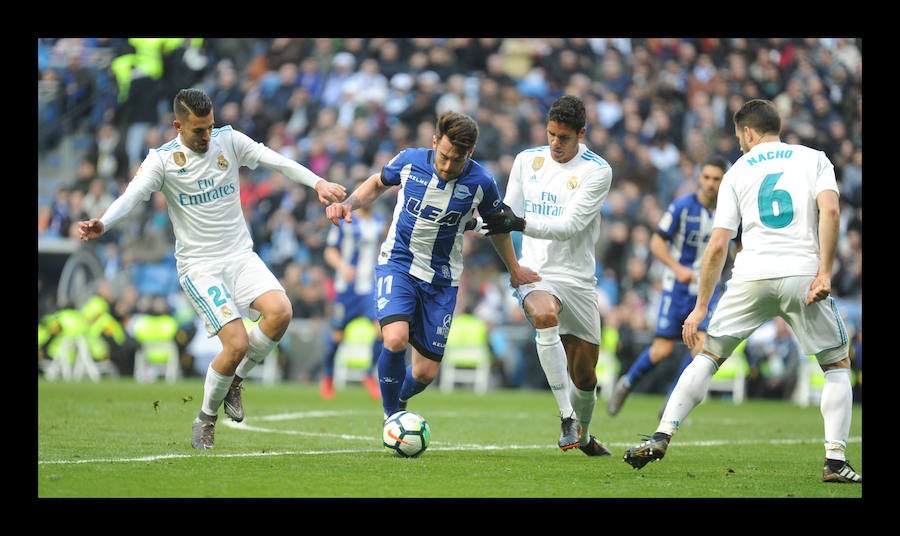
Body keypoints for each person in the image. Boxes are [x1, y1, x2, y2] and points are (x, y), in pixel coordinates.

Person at [78, 88, 346, 450]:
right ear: (178, 126)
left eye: (209, 127)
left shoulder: (228, 140)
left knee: (280, 312)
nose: (207, 136)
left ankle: (235, 380)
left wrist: (318, 182)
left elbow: (274, 159)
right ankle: (205, 418)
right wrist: (104, 223)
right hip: (200, 267)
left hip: (240, 256)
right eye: (198, 131)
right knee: (235, 343)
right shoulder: (162, 160)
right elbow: (134, 194)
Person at [623, 99, 861, 484]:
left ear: (748, 132)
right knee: (836, 364)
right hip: (801, 272)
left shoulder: (736, 173)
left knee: (708, 356)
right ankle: (835, 460)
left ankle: (663, 433)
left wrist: (700, 308)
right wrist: (825, 273)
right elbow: (831, 212)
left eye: (739, 138)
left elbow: (718, 246)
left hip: (750, 274)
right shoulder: (814, 158)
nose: (738, 145)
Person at [325, 110, 540, 432]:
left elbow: (497, 228)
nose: (448, 165)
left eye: (457, 159)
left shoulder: (481, 182)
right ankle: (391, 419)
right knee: (394, 338)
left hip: (442, 280)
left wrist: (514, 268)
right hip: (397, 263)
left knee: (424, 374)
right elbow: (377, 182)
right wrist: (348, 205)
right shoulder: (410, 161)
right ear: (435, 142)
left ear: (470, 153)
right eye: (444, 156)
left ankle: (398, 402)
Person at [487, 95, 614, 456]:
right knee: (544, 315)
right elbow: (506, 214)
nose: (555, 144)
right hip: (537, 272)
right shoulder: (527, 160)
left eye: (564, 138)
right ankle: (566, 417)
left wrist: (518, 222)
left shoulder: (597, 170)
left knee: (586, 378)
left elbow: (569, 226)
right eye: (551, 135)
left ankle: (585, 436)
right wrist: (513, 265)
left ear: (582, 134)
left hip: (579, 280)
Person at [606, 155, 732, 417]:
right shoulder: (681, 207)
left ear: (724, 181)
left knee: (700, 347)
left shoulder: (730, 212)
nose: (710, 184)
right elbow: (656, 243)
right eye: (706, 177)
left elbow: (738, 246)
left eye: (716, 179)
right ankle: (626, 383)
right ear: (699, 177)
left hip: (707, 291)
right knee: (661, 349)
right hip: (676, 289)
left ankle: (672, 402)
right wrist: (677, 269)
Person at [319, 190, 386, 401]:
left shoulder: (379, 222)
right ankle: (328, 377)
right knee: (337, 338)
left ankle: (368, 374)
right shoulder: (345, 221)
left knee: (382, 331)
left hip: (369, 288)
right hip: (346, 290)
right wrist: (342, 266)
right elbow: (329, 251)